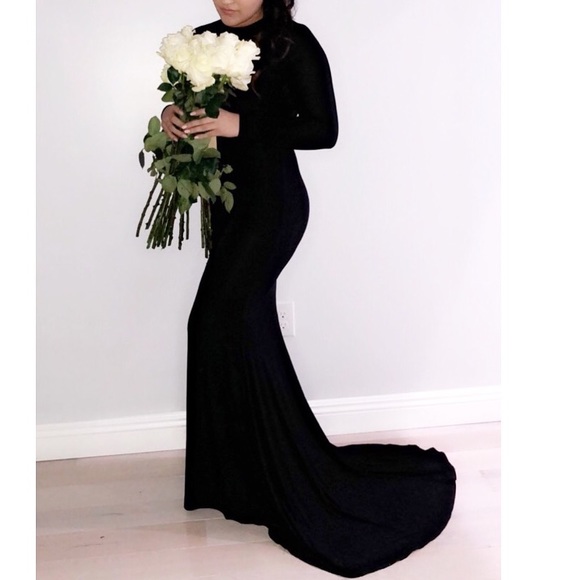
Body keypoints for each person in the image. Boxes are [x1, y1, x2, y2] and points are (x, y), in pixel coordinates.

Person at [161, 1, 456, 577]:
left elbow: (324, 130)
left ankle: (282, 472)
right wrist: (175, 114)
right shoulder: (200, 38)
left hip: (272, 206)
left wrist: (240, 126)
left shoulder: (291, 42)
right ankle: (240, 478)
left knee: (217, 320)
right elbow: (197, 111)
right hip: (228, 204)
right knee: (234, 328)